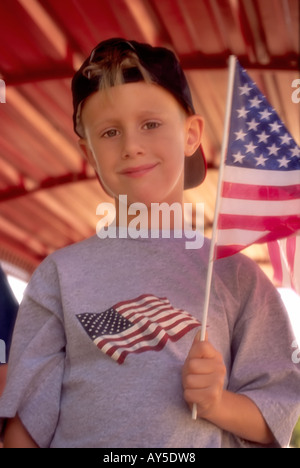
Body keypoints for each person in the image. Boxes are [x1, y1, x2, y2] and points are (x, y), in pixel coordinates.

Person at [0, 38, 299, 448]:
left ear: (192, 134)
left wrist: (217, 403)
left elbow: (276, 419)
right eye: (109, 132)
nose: (131, 146)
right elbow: (25, 429)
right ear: (88, 154)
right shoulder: (58, 275)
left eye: (151, 124)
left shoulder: (236, 274)